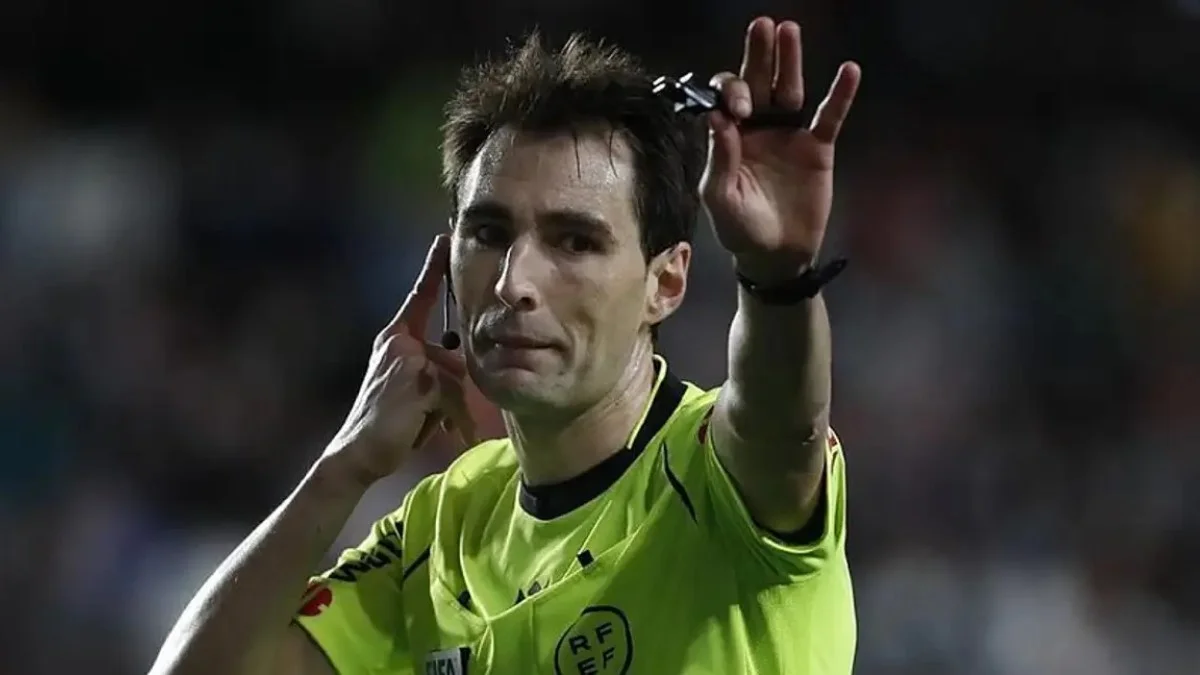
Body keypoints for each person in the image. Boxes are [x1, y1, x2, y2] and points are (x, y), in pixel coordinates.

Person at [150, 15, 861, 675]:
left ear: (665, 282)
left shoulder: (720, 472)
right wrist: (344, 467)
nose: (514, 282)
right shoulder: (443, 523)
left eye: (575, 241)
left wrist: (776, 276)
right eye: (489, 234)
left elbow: (780, 425)